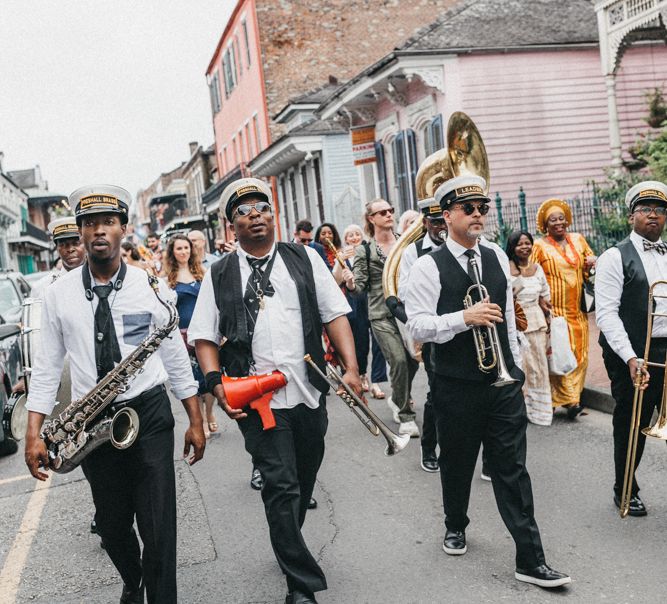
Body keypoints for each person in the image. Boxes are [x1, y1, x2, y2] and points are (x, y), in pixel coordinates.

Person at [23, 185, 206, 604]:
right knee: (111, 526)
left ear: (123, 228)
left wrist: (195, 419)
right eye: (89, 224)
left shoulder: (152, 287)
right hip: (93, 424)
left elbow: (175, 356)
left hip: (150, 412)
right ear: (81, 232)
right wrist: (34, 433)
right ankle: (134, 575)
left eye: (107, 222)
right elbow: (48, 369)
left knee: (159, 528)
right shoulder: (58, 295)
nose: (98, 231)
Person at [189, 177, 360, 604]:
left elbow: (334, 313)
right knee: (280, 485)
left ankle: (287, 541)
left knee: (303, 477)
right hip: (255, 398)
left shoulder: (304, 258)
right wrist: (216, 385)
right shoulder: (219, 272)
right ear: (233, 227)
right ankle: (300, 585)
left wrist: (353, 368)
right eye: (245, 213)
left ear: (273, 215)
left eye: (262, 209)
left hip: (307, 390)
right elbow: (204, 336)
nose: (256, 218)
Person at [405, 175, 570, 588]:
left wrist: (515, 370)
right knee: (458, 463)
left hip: (502, 384)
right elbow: (417, 326)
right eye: (468, 209)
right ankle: (455, 522)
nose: (478, 215)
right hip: (455, 385)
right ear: (447, 216)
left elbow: (507, 322)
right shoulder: (427, 265)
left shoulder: (496, 254)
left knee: (512, 469)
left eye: (482, 209)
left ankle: (530, 559)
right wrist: (463, 318)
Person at [596, 181, 667, 517]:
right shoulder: (614, 256)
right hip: (634, 350)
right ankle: (625, 487)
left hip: (665, 347)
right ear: (631, 216)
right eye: (645, 210)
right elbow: (606, 314)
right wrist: (630, 357)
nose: (653, 215)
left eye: (660, 210)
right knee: (633, 421)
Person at [342, 199, 420, 438]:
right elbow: (360, 287)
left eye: (390, 211)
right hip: (380, 314)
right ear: (371, 219)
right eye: (382, 212)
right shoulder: (365, 250)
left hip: (407, 312)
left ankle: (397, 398)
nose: (388, 214)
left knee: (414, 361)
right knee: (397, 360)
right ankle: (406, 414)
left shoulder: (406, 243)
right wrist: (351, 282)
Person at [531, 199, 596, 418]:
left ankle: (573, 397)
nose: (559, 222)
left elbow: (589, 266)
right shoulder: (539, 246)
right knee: (559, 353)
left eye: (561, 218)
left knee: (581, 353)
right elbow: (530, 272)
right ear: (545, 225)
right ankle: (568, 401)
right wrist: (538, 300)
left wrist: (590, 265)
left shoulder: (578, 240)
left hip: (577, 309)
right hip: (554, 310)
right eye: (553, 219)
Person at [398, 198, 447, 472]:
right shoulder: (412, 252)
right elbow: (405, 293)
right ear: (425, 222)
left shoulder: (461, 245)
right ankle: (429, 448)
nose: (441, 226)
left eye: (444, 220)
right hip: (433, 330)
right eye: (435, 221)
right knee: (436, 393)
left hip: (463, 327)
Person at [164, 234, 217, 439]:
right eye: (179, 249)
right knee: (193, 379)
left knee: (209, 376)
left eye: (186, 248)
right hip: (182, 335)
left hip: (204, 331)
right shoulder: (168, 279)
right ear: (173, 253)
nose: (184, 252)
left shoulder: (202, 273)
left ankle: (210, 411)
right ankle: (200, 419)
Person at [333, 224, 387, 399]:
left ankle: (377, 381)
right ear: (346, 239)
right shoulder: (342, 255)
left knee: (379, 341)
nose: (354, 237)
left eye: (357, 234)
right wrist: (339, 261)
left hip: (372, 299)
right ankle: (362, 374)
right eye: (350, 235)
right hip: (354, 302)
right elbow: (336, 280)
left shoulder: (369, 251)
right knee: (361, 342)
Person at [506, 231, 553, 426]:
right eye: (519, 244)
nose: (524, 247)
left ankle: (540, 411)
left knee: (539, 366)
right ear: (512, 247)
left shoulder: (537, 269)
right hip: (517, 323)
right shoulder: (507, 269)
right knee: (522, 366)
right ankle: (521, 408)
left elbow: (545, 295)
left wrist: (548, 315)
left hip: (537, 322)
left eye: (527, 243)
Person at [31, 216, 86, 299]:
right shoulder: (42, 288)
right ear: (57, 249)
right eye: (63, 245)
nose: (70, 249)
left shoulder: (102, 281)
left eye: (76, 243)